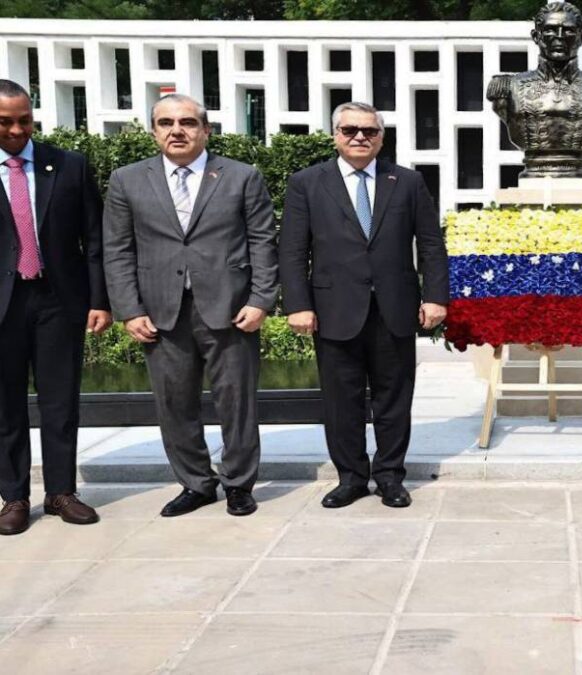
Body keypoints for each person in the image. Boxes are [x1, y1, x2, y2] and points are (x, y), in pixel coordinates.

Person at [103, 94, 277, 518]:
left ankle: (238, 484)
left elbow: (262, 241)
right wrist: (129, 309)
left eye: (187, 122)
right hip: (160, 311)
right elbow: (118, 249)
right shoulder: (127, 180)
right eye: (166, 123)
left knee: (237, 402)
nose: (176, 130)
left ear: (206, 130)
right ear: (153, 131)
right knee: (173, 403)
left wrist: (261, 300)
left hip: (230, 308)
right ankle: (196, 484)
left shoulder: (240, 176)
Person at [279, 102, 448, 509]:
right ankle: (351, 477)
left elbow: (430, 244)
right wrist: (297, 304)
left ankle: (390, 476)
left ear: (381, 137)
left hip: (394, 307)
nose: (360, 137)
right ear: (335, 134)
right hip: (333, 308)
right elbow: (291, 249)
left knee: (394, 398)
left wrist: (436, 297)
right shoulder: (307, 183)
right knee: (342, 401)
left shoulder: (406, 182)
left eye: (369, 131)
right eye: (350, 129)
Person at [0, 79, 111, 536]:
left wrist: (99, 300)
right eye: (5, 122)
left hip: (58, 300)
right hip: (3, 305)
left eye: (24, 119)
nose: (17, 129)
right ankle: (14, 497)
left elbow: (96, 238)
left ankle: (62, 491)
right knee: (6, 406)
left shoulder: (67, 165)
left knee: (60, 401)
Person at [487, 1, 582, 179]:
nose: (559, 36)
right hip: (532, 173)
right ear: (536, 36)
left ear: (581, 38)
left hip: (577, 173)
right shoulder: (507, 86)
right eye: (550, 29)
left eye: (568, 30)